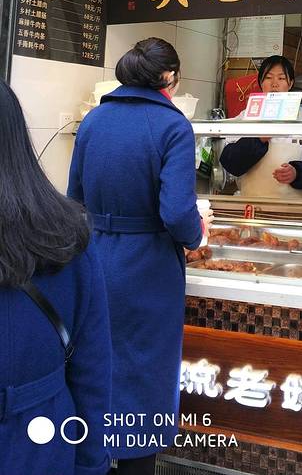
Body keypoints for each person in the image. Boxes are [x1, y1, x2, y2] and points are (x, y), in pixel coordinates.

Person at [67, 38, 214, 475]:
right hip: (148, 267)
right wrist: (197, 235)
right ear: (169, 77)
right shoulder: (173, 126)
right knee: (146, 376)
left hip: (96, 257)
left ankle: (95, 460)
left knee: (96, 366)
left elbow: (74, 197)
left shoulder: (94, 120)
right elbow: (177, 213)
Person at [0, 79, 111, 475]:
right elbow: (92, 368)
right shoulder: (65, 232)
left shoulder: (95, 122)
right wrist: (91, 462)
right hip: (42, 442)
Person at [220, 55, 302, 198]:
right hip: (252, 206)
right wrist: (258, 140)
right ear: (261, 83)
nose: (274, 84)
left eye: (281, 78)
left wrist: (297, 172)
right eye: (268, 78)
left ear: (290, 84)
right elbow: (230, 162)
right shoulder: (245, 117)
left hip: (295, 207)